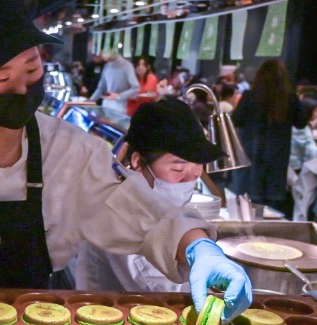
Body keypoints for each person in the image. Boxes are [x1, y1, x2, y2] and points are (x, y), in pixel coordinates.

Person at [0, 0, 252, 319]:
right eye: (2, 80)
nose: (21, 88)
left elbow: (149, 218)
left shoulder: (73, 150)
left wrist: (201, 249)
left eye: (32, 68)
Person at [76, 99, 223, 292]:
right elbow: (161, 289)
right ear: (138, 161)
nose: (192, 175)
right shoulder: (123, 210)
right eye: (178, 167)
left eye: (198, 165)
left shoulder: (156, 201)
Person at [230, 59, 309, 211]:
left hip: (251, 152)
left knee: (248, 204)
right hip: (277, 156)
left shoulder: (250, 96)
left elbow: (236, 120)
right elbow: (301, 123)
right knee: (271, 205)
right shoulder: (290, 98)